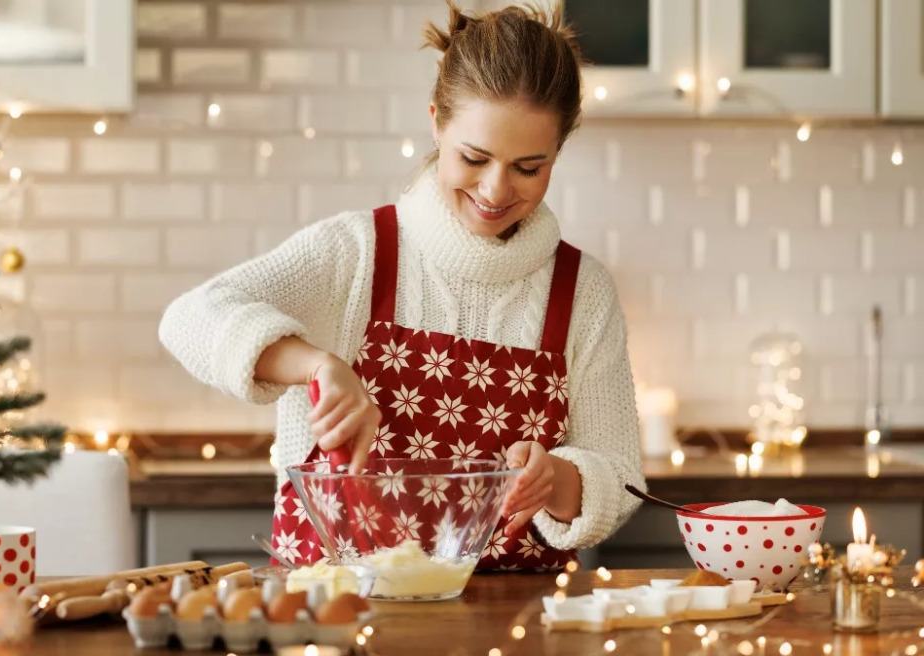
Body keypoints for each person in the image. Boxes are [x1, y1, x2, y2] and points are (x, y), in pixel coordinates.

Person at [159, 1, 645, 571]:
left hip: (510, 625)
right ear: (437, 120)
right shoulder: (356, 252)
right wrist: (316, 365)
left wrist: (558, 479)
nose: (495, 189)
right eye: (474, 157)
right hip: (338, 614)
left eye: (528, 167)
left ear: (558, 152)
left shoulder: (583, 291)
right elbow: (190, 318)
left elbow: (620, 477)